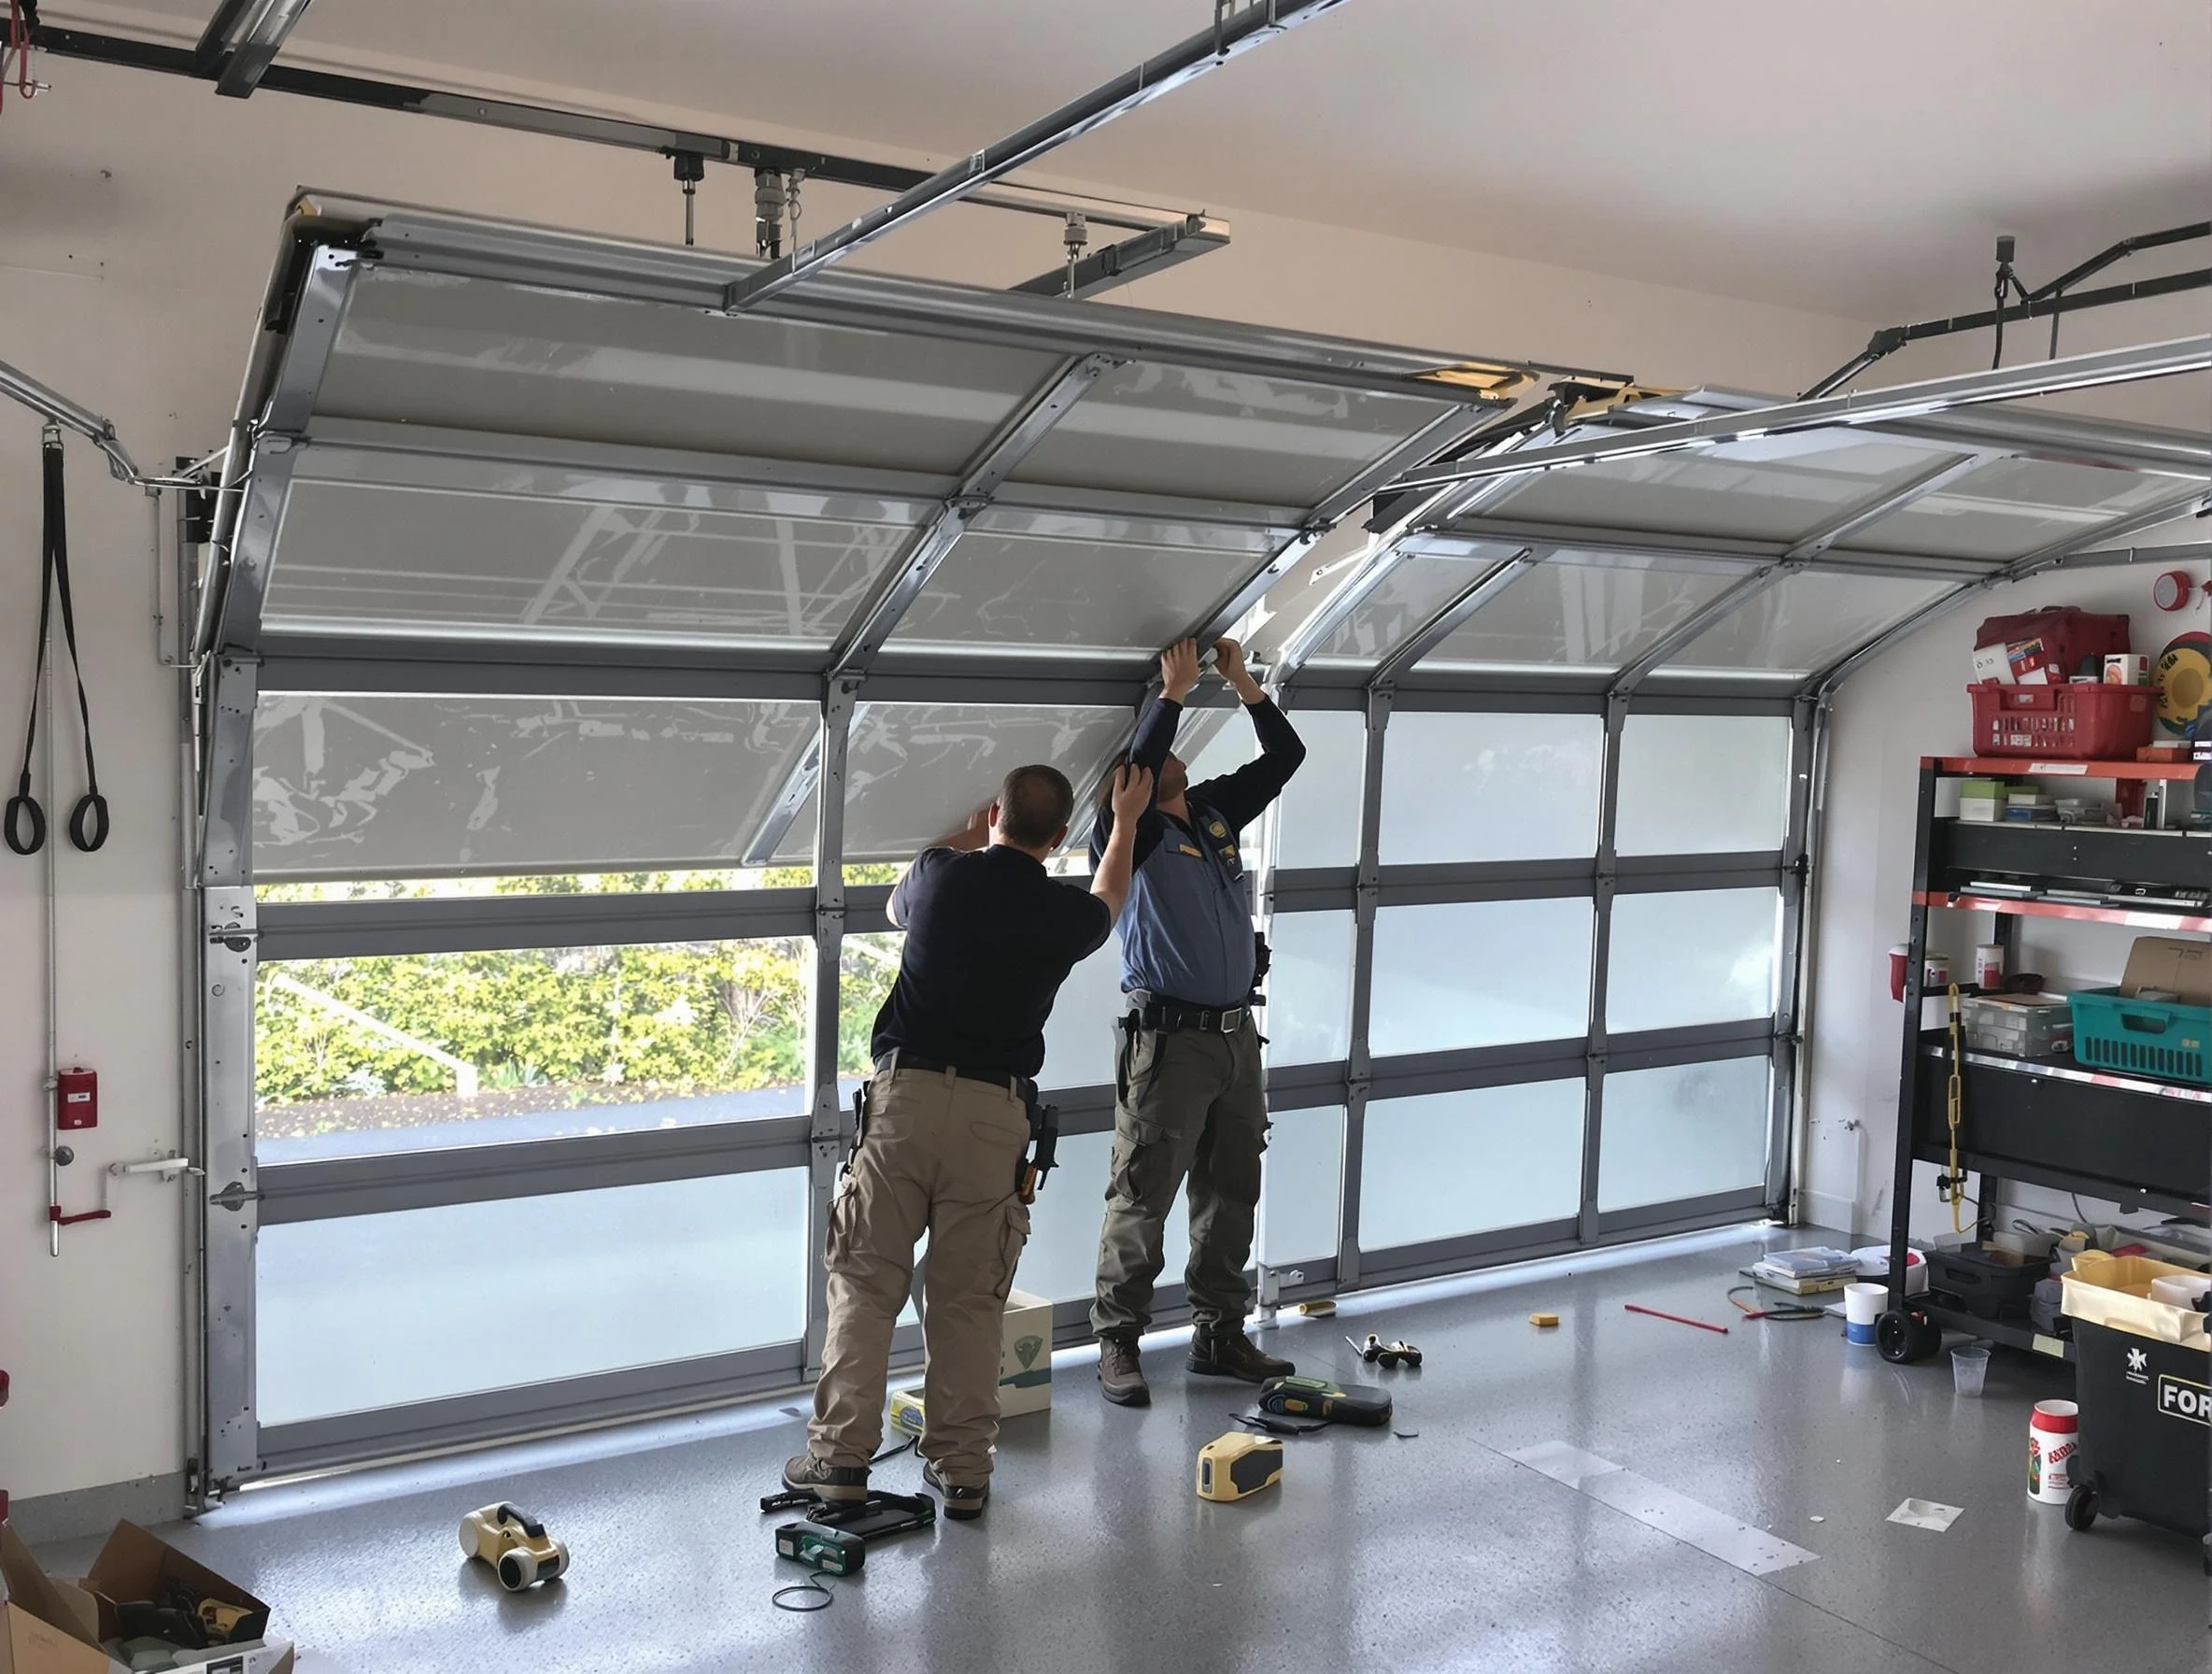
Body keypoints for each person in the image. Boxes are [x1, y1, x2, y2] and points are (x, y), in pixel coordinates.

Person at [784, 759, 1152, 1519]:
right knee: (968, 1301)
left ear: (995, 816)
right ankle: (961, 1470)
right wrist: (1125, 821)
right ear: (1056, 838)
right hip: (994, 1120)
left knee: (865, 1284)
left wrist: (971, 833)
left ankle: (837, 1461)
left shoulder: (940, 878)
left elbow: (896, 901)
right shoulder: (1059, 913)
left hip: (903, 1105)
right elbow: (1111, 896)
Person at [1090, 637, 1307, 1406]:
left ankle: (1219, 1334)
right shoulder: (1132, 829)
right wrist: (1173, 692)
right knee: (1142, 1192)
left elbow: (1286, 755)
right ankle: (1118, 1341)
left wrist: (1242, 681)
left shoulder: (1212, 812)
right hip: (1168, 1043)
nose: (1164, 763)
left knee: (1230, 1188)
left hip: (1234, 1039)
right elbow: (1141, 770)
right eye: (1153, 756)